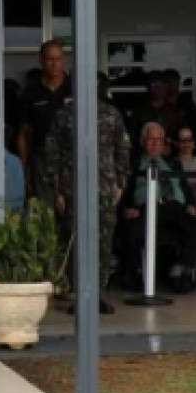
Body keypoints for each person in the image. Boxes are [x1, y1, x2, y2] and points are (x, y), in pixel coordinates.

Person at [46, 80, 133, 313]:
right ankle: (78, 295)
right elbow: (52, 154)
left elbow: (123, 149)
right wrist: (57, 192)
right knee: (74, 241)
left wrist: (120, 183)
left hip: (104, 189)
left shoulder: (111, 114)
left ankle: (98, 294)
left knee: (103, 243)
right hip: (72, 188)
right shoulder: (64, 115)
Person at [118, 122, 196, 295]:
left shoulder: (173, 163)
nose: (155, 143)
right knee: (130, 231)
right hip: (145, 208)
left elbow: (185, 188)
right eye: (151, 139)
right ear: (143, 141)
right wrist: (126, 208)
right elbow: (122, 191)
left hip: (175, 208)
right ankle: (136, 274)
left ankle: (181, 267)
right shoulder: (134, 163)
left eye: (159, 140)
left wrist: (190, 204)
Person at [15, 39, 73, 198]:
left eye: (58, 59)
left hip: (72, 159)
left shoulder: (76, 88)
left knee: (74, 214)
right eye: (50, 59)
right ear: (41, 60)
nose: (55, 64)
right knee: (44, 215)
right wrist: (24, 167)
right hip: (42, 161)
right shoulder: (30, 92)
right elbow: (23, 133)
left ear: (64, 60)